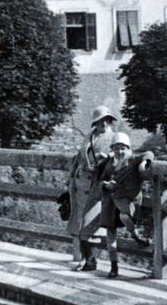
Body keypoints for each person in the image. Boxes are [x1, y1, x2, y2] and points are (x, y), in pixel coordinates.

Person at [93, 132, 154, 279]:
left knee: (125, 216)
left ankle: (135, 235)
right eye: (116, 148)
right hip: (110, 201)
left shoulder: (133, 161)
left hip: (127, 201)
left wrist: (145, 163)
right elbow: (100, 181)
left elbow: (149, 153)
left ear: (128, 149)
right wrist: (105, 185)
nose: (120, 152)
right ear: (112, 149)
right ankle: (114, 266)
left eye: (123, 148)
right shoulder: (108, 164)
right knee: (110, 232)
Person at [65, 105, 116, 271]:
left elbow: (122, 155)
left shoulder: (113, 138)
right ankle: (86, 260)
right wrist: (70, 177)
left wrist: (108, 156)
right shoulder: (89, 136)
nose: (104, 124)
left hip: (96, 184)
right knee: (79, 222)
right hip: (80, 184)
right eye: (101, 121)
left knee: (91, 224)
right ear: (95, 123)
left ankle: (91, 261)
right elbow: (79, 157)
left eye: (107, 121)